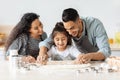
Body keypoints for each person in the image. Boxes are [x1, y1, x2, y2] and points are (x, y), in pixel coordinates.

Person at [37, 8, 111, 64]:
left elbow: (106, 51)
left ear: (79, 21)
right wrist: (42, 53)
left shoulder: (95, 25)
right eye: (67, 29)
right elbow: (48, 41)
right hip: (81, 61)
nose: (69, 33)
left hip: (98, 61)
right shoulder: (66, 25)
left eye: (72, 28)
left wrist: (90, 56)